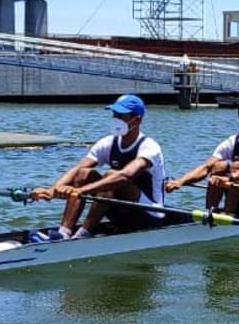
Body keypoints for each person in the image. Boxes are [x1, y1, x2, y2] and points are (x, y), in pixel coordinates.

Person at [29, 94, 166, 240]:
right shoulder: (108, 143)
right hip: (119, 209)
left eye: (121, 116)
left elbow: (124, 175)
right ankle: (64, 233)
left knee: (111, 176)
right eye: (114, 115)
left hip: (149, 215)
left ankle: (83, 235)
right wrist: (52, 190)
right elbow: (77, 168)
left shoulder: (149, 147)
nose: (115, 119)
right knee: (83, 174)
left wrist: (80, 191)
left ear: (137, 119)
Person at [165, 97, 239, 217]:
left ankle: (227, 214)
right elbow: (206, 167)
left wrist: (230, 179)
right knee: (217, 168)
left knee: (237, 166)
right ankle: (210, 214)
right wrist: (180, 181)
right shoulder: (231, 142)